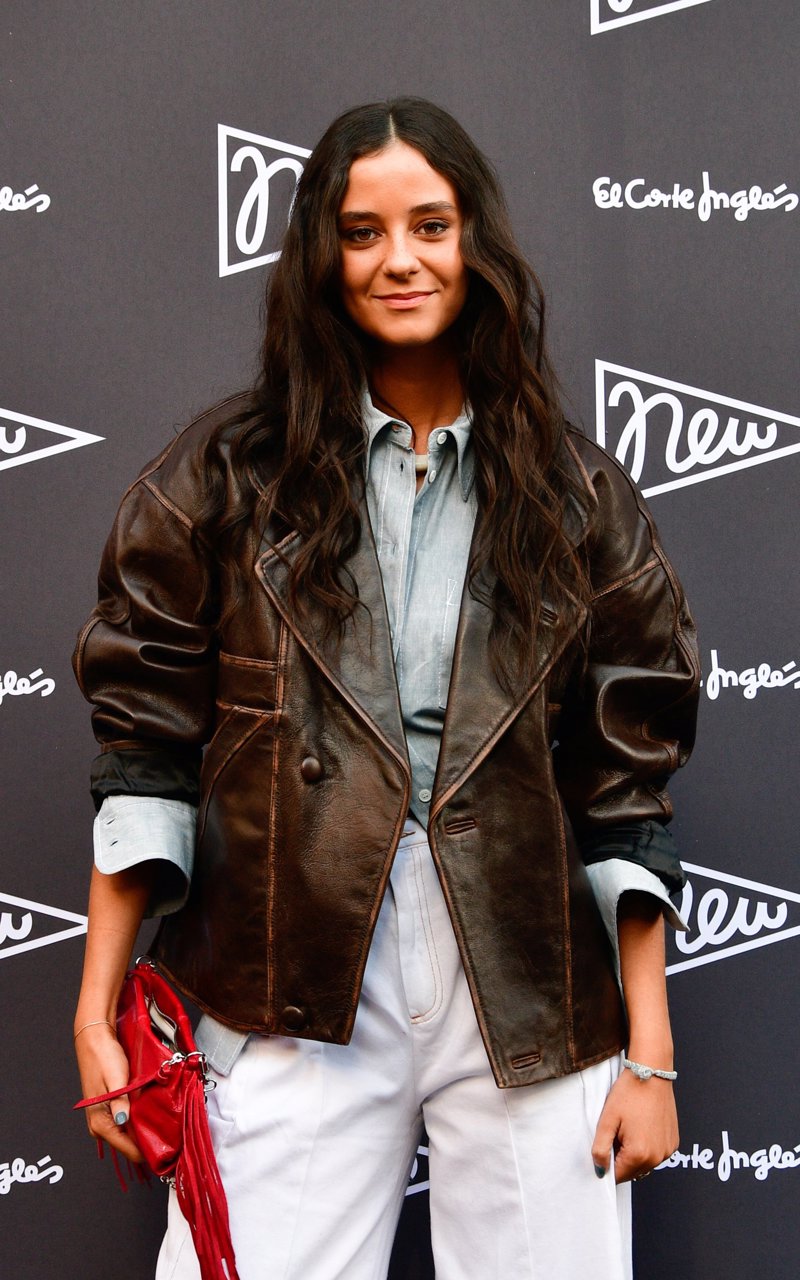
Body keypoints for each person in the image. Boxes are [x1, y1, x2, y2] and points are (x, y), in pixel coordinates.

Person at [73, 97, 699, 1280]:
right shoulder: (221, 477)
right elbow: (144, 745)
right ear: (321, 253)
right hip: (283, 960)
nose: (398, 259)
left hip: (526, 973)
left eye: (429, 225)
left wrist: (649, 1053)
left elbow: (623, 788)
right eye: (361, 232)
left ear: (476, 244)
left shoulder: (574, 496)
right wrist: (96, 1006)